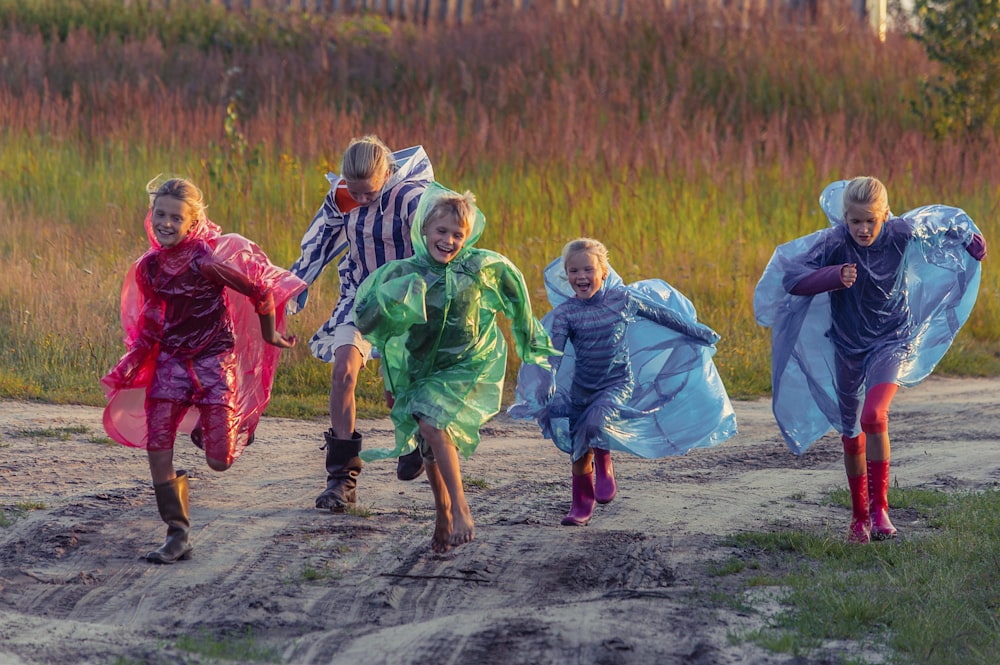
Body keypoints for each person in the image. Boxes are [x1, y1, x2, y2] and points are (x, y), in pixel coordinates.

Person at [754, 176, 987, 543]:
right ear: (845, 218)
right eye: (855, 221)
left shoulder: (900, 233)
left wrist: (971, 239)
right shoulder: (834, 242)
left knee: (874, 416)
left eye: (870, 221)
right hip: (847, 347)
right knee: (851, 433)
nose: (863, 229)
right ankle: (859, 517)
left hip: (891, 340)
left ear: (884, 216)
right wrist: (833, 275)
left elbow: (940, 224)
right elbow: (791, 278)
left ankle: (881, 512)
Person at [102, 176, 304, 563]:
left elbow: (260, 292)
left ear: (192, 222)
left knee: (219, 461)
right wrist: (133, 362)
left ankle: (230, 424)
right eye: (159, 214)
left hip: (214, 362)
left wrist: (272, 336)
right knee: (157, 445)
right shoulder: (149, 268)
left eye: (175, 217)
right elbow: (150, 322)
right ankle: (177, 534)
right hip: (171, 365)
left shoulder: (207, 262)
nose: (165, 223)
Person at [352, 183, 557, 553]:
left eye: (457, 234)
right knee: (429, 442)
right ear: (424, 231)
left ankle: (461, 508)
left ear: (469, 236)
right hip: (421, 369)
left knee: (432, 424)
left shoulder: (480, 268)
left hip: (467, 364)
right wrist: (389, 368)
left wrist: (529, 338)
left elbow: (516, 294)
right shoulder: (405, 273)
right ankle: (442, 510)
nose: (448, 240)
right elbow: (378, 328)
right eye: (441, 231)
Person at [509, 238, 737, 526]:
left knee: (595, 423)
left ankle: (592, 486)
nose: (581, 277)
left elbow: (663, 315)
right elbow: (553, 351)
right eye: (573, 271)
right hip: (583, 388)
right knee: (579, 444)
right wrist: (546, 381)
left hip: (616, 383)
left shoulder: (622, 300)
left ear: (603, 271)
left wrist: (697, 332)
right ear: (566, 275)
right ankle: (583, 497)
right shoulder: (567, 313)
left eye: (588, 270)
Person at [288, 136, 434, 513]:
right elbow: (317, 244)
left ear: (387, 173)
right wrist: (290, 288)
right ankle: (341, 479)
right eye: (355, 192)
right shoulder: (343, 196)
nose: (361, 200)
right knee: (344, 371)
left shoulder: (412, 198)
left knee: (397, 382)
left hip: (405, 295)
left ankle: (414, 437)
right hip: (360, 295)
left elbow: (438, 247)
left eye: (368, 193)